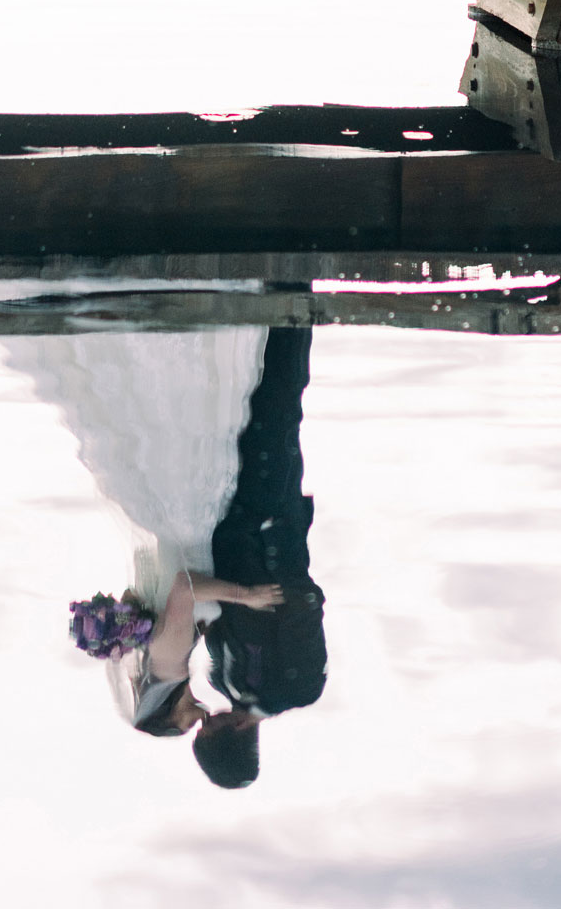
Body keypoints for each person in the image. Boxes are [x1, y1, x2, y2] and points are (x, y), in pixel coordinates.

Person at [3, 327, 283, 733]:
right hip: (168, 521)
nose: (198, 719)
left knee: (189, 417)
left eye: (185, 724)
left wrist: (247, 597)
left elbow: (185, 588)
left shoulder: (169, 666)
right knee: (159, 423)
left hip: (188, 520)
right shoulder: (156, 656)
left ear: (166, 711)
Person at [193, 327, 328, 790]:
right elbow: (308, 605)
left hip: (225, 523)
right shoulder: (298, 689)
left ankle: (253, 313)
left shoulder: (220, 684)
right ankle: (291, 311)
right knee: (277, 409)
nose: (201, 721)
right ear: (230, 736)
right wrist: (257, 590)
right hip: (271, 523)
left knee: (236, 406)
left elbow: (217, 620)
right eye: (206, 731)